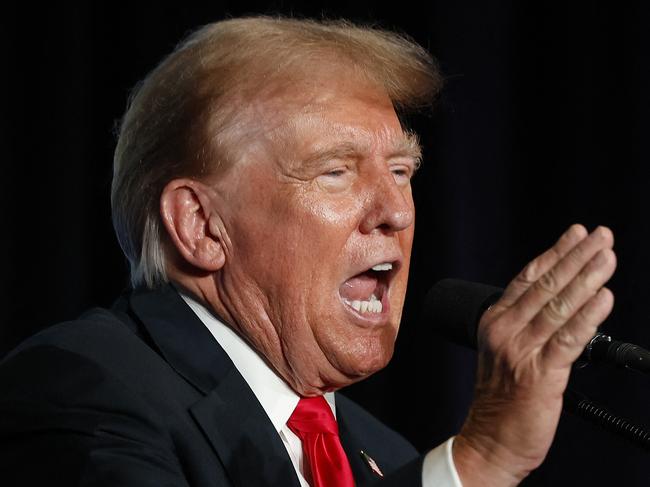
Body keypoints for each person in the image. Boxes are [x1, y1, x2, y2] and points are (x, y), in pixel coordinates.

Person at [0, 16, 616, 486]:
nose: (396, 212)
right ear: (201, 226)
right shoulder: (80, 387)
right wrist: (478, 462)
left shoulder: (385, 456)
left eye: (401, 171)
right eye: (336, 172)